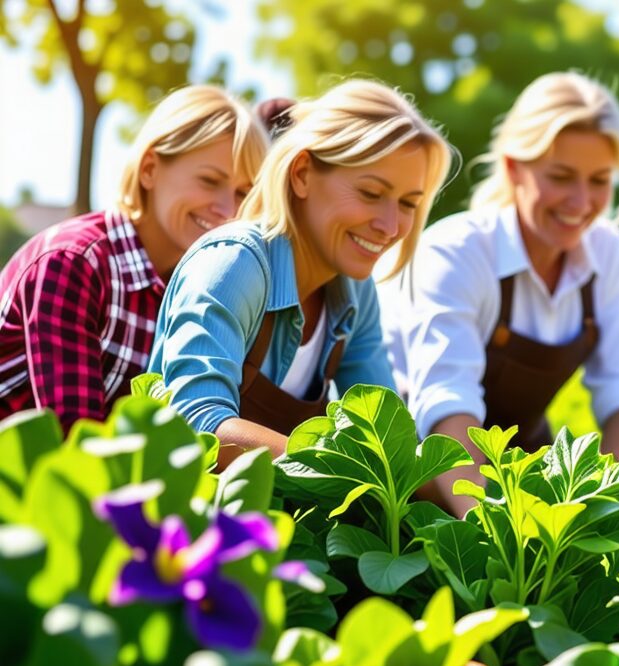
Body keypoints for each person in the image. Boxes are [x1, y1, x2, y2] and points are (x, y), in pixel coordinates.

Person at [379, 72, 619, 519]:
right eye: (562, 177)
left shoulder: (606, 249)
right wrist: (497, 535)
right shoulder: (458, 251)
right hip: (420, 466)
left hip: (518, 464)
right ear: (513, 168)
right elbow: (448, 406)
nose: (581, 202)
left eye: (600, 180)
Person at [149, 79, 453, 458]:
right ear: (303, 173)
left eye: (408, 203)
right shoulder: (234, 263)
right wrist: (337, 469)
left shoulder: (356, 294)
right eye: (371, 194)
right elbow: (196, 425)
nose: (390, 227)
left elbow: (393, 448)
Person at [0, 85, 267, 429]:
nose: (228, 210)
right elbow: (76, 436)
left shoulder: (197, 289)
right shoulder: (73, 263)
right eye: (209, 180)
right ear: (149, 169)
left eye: (243, 192)